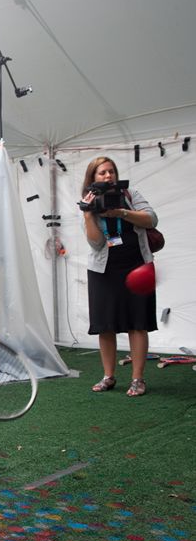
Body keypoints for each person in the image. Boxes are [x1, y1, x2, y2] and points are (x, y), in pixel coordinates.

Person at [81, 156, 158, 397]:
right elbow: (96, 244)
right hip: (103, 269)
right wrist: (87, 214)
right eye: (102, 172)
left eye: (111, 171)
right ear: (93, 178)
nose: (108, 176)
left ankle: (137, 379)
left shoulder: (130, 194)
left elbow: (152, 219)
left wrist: (121, 212)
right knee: (105, 325)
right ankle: (108, 376)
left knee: (138, 322)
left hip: (137, 265)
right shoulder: (89, 200)